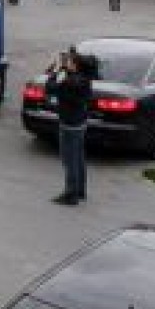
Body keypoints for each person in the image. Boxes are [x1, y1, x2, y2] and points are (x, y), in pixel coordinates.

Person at [47, 49, 94, 205]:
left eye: (71, 62)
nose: (68, 63)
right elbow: (70, 77)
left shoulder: (70, 83)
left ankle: (71, 194)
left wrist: (53, 73)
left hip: (69, 124)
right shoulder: (85, 78)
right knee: (79, 158)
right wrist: (64, 68)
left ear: (76, 66)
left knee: (69, 160)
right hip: (80, 123)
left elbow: (50, 88)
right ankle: (80, 190)